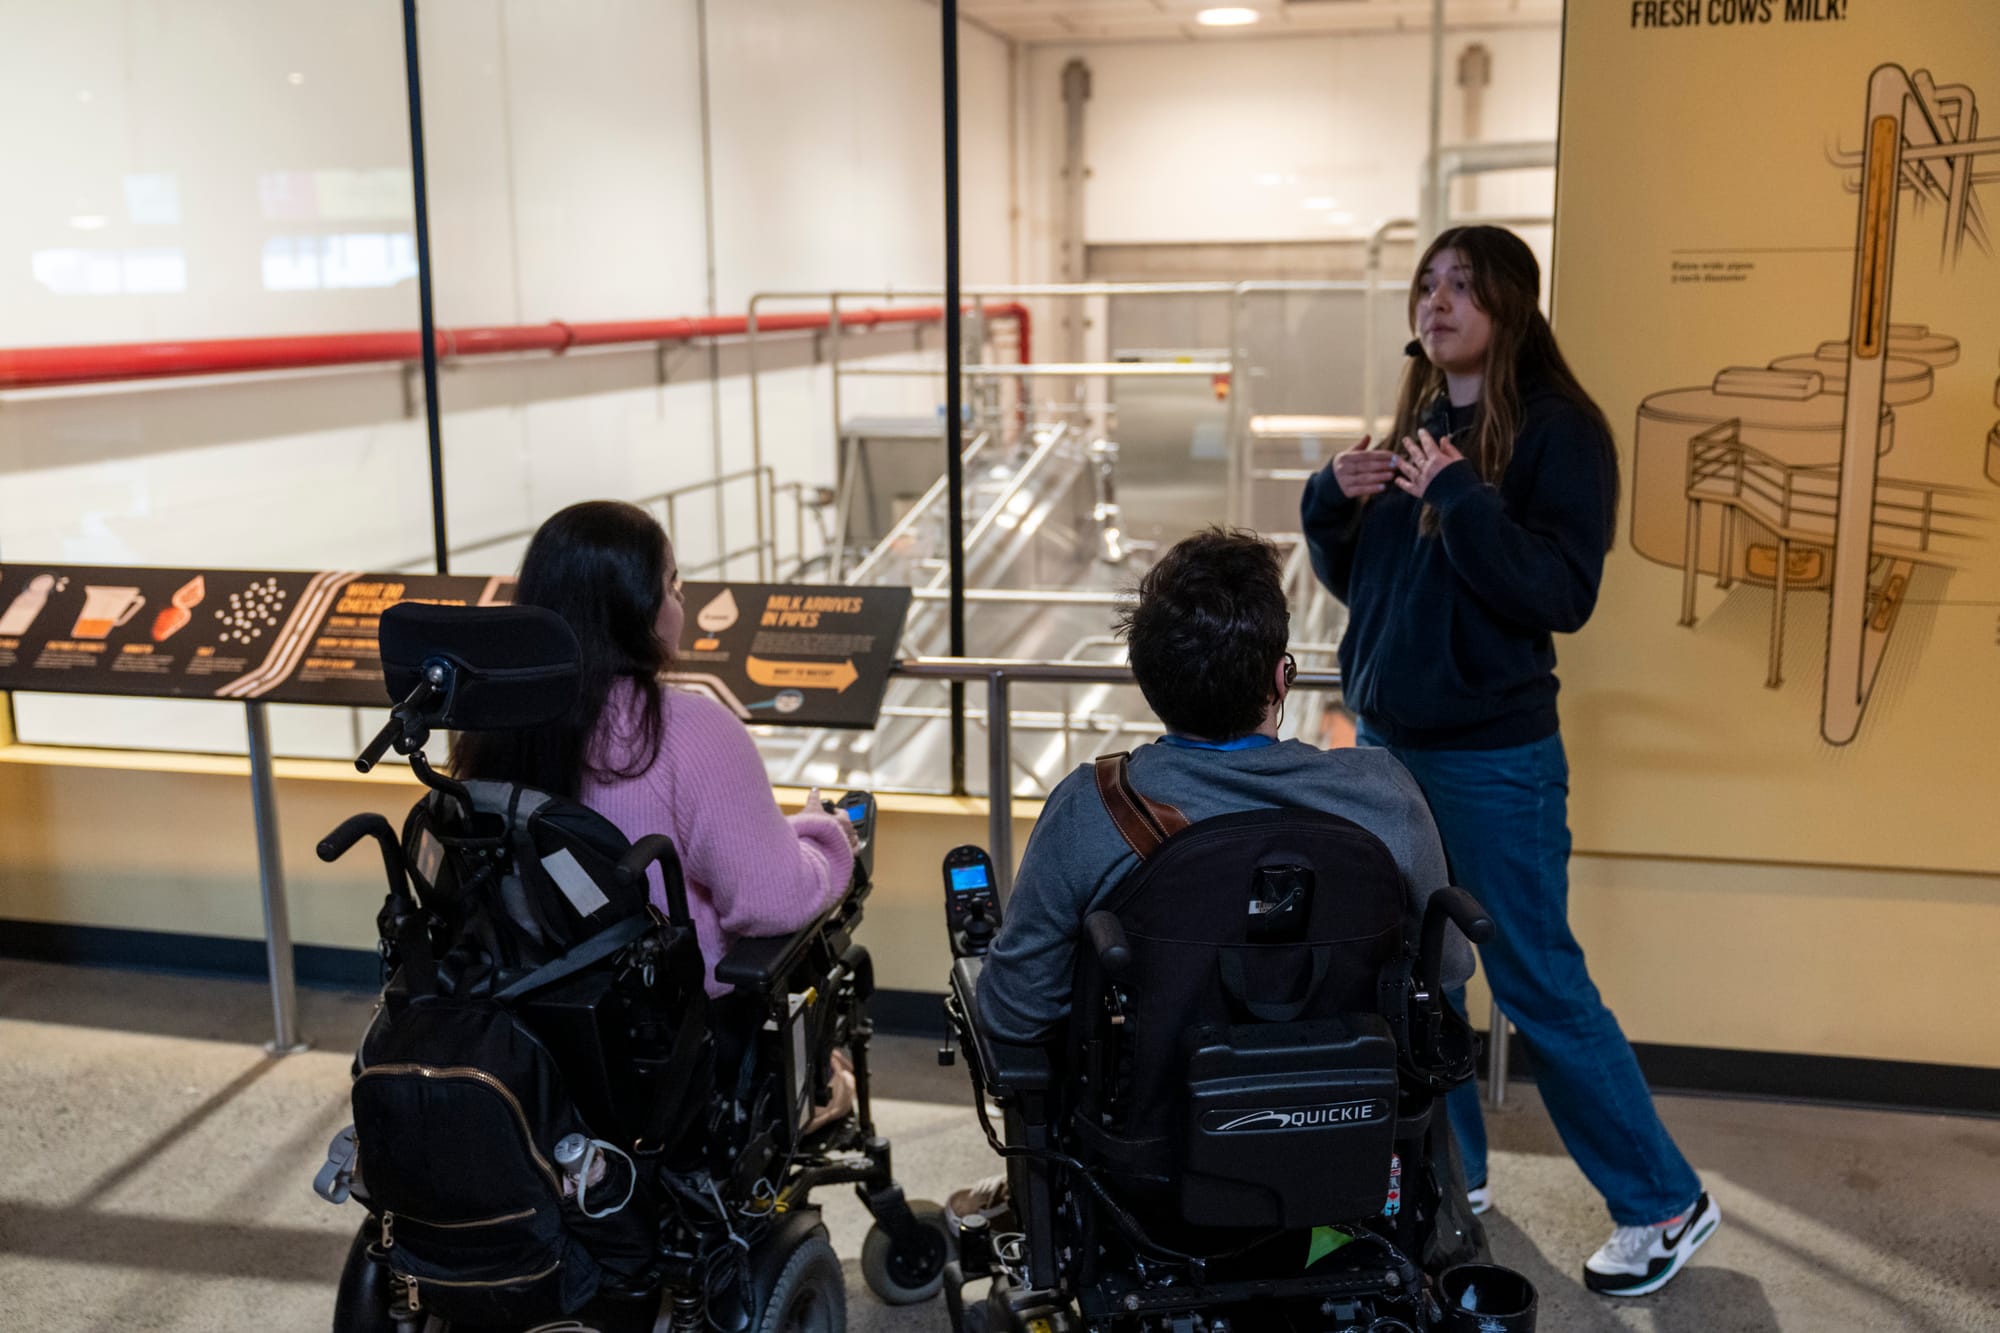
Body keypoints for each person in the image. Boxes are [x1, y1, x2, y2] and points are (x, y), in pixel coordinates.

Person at [1300, 225, 1717, 1298]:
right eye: (1424, 285)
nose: (1435, 304)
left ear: (1509, 304)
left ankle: (1663, 1199)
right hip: (1393, 745)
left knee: (1534, 983)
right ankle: (1453, 1177)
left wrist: (1456, 496)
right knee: (1415, 981)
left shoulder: (1557, 433)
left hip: (1490, 762)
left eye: (1459, 286)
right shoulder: (1424, 423)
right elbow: (1382, 594)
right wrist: (1328, 503)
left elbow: (1554, 593)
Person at [959, 526, 1474, 1228]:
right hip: (1345, 1157)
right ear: (1281, 677)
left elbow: (1015, 1013)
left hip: (1145, 1173)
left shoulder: (1093, 809)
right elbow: (1445, 971)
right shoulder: (1383, 795)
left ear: (1149, 682)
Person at [451, 499, 856, 1127]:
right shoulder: (687, 729)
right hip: (667, 1047)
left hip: (529, 1025)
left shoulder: (494, 728)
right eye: (671, 583)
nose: (681, 599)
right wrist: (825, 839)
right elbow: (768, 901)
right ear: (635, 609)